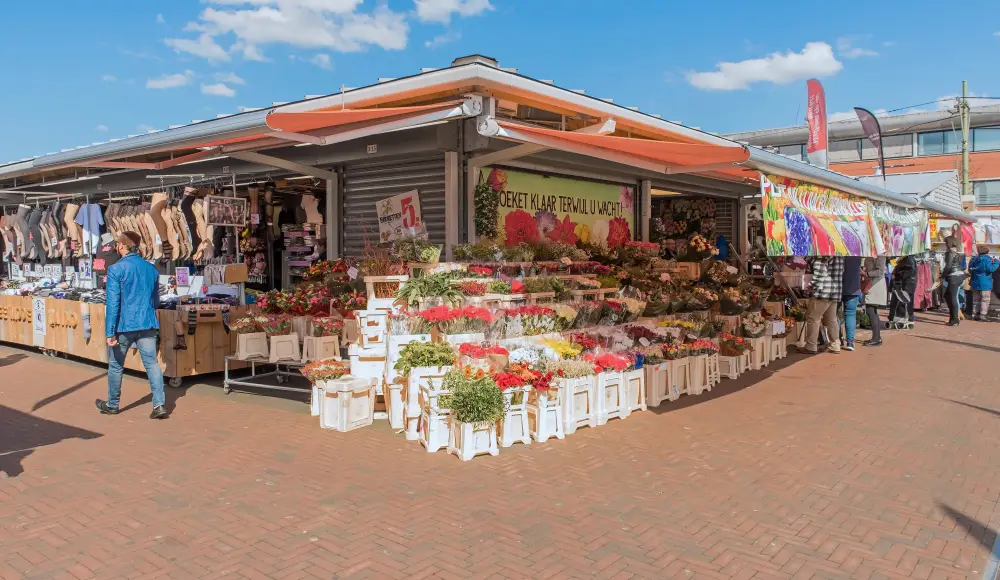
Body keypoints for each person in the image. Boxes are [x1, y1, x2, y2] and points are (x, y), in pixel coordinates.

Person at [95, 232, 168, 419]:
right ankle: (159, 404)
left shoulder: (116, 269)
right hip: (147, 322)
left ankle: (112, 404)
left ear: (121, 245)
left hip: (124, 325)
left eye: (117, 245)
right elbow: (156, 300)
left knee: (116, 365)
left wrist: (109, 331)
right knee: (151, 363)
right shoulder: (151, 269)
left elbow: (113, 302)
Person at [804, 256, 844, 354]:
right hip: (835, 290)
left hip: (823, 292)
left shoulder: (822, 253)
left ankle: (811, 346)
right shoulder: (838, 254)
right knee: (832, 319)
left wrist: (809, 286)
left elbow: (819, 274)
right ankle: (835, 344)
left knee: (813, 318)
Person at [968, 246, 999, 320]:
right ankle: (982, 315)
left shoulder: (973, 259)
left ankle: (974, 315)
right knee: (985, 299)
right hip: (985, 283)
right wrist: (996, 262)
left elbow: (970, 270)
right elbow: (990, 269)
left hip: (975, 282)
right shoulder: (987, 259)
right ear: (987, 252)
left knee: (975, 300)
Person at [941, 236, 966, 326]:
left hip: (953, 277)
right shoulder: (958, 252)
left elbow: (948, 266)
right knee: (948, 296)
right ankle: (953, 318)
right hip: (960, 276)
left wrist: (943, 276)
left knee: (952, 297)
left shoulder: (950, 253)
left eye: (945, 243)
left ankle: (955, 319)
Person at [863, 257, 887, 346]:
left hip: (876, 285)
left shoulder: (880, 254)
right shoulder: (873, 253)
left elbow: (880, 271)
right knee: (872, 311)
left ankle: (876, 338)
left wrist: (867, 273)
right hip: (871, 283)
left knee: (871, 311)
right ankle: (876, 337)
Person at [841, 256, 863, 351]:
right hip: (853, 287)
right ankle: (850, 342)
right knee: (850, 314)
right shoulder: (857, 253)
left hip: (837, 287)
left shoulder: (837, 251)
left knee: (834, 315)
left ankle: (837, 339)